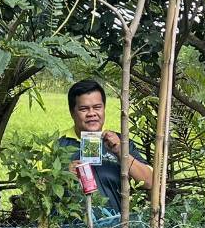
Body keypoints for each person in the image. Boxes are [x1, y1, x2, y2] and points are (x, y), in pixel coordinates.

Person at [58, 79, 153, 219]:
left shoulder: (121, 142)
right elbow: (36, 188)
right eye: (84, 109)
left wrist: (121, 151)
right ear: (72, 112)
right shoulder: (57, 145)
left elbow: (149, 181)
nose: (92, 113)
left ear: (104, 109)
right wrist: (63, 174)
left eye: (97, 107)